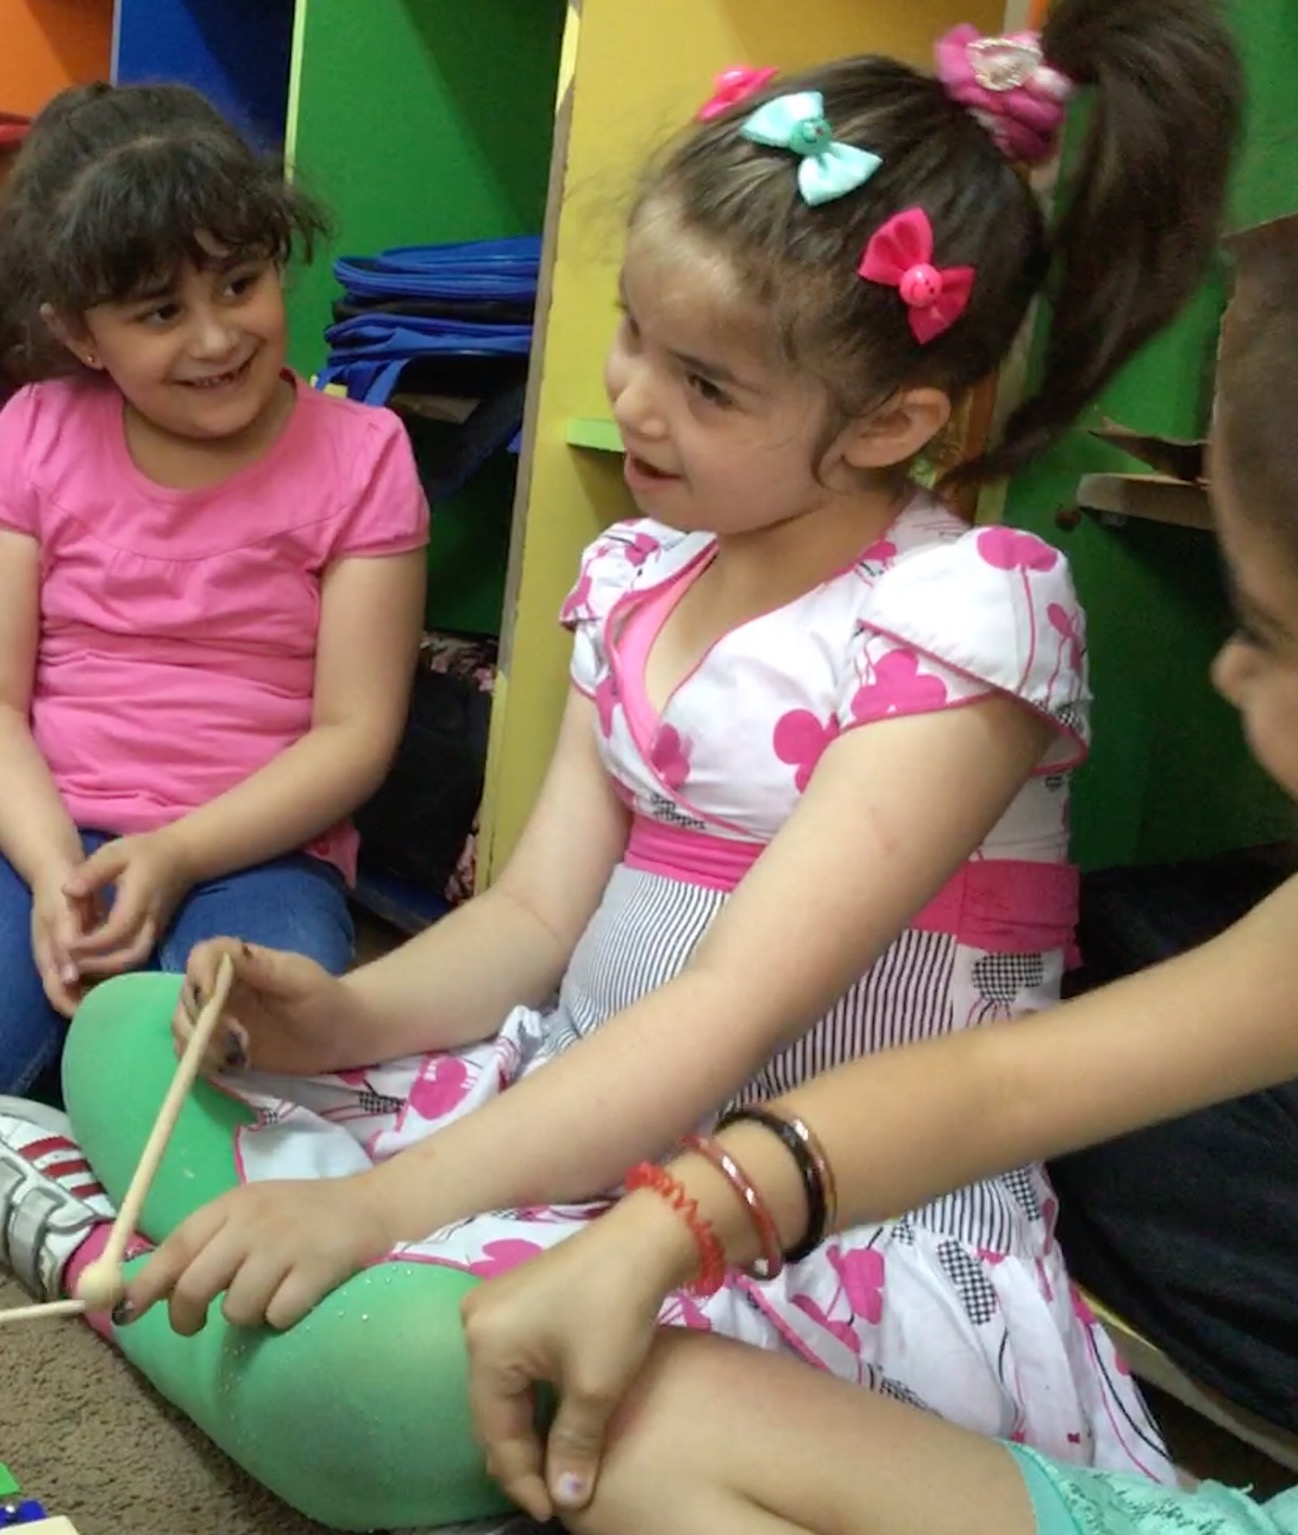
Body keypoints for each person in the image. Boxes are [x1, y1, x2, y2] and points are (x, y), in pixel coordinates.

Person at [0, 4, 1243, 1529]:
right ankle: (205, 1277)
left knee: (443, 1377)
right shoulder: (636, 578)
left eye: (710, 384)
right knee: (152, 1020)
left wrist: (378, 1201)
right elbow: (537, 919)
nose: (636, 397)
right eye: (632, 333)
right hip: (569, 1103)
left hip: (789, 1201)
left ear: (893, 419)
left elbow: (725, 1008)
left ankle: (130, 1272)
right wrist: (338, 1012)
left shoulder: (965, 621)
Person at [454, 207, 1298, 1535]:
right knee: (629, 1422)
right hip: (681, 1146)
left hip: (889, 1248)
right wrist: (665, 1222)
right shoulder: (630, 575)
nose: (1230, 669)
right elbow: (1000, 1079)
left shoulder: (964, 609)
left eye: (1265, 625)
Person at [0, 82, 428, 1159]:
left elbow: (354, 734)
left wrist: (181, 851)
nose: (217, 335)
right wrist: (51, 869)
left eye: (239, 283)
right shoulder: (37, 435)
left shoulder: (365, 455)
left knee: (248, 1112)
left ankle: (74, 1008)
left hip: (258, 848)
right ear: (79, 335)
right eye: (157, 312)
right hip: (54, 831)